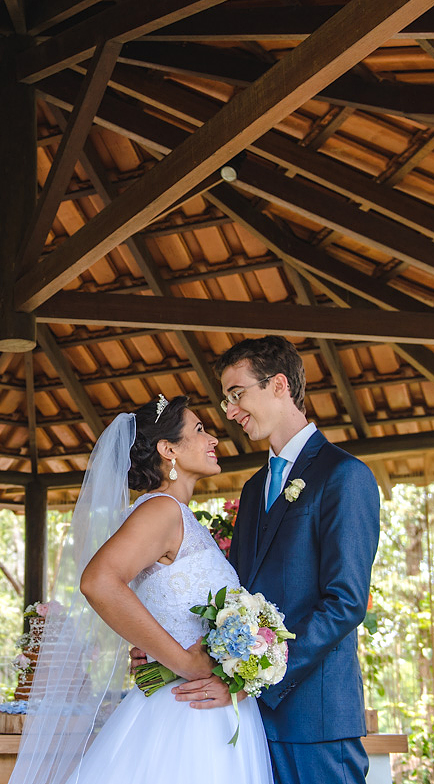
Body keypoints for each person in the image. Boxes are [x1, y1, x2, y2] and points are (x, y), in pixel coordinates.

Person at [7, 395, 273, 784]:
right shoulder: (160, 511)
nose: (213, 439)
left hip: (210, 712)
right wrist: (184, 662)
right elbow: (98, 581)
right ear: (168, 450)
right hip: (185, 718)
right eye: (200, 430)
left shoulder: (180, 517)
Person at [170, 335, 380, 784]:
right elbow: (237, 594)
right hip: (247, 725)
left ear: (280, 385)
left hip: (315, 719)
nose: (229, 411)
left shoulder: (345, 475)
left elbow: (345, 602)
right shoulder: (252, 488)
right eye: (225, 400)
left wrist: (256, 678)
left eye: (236, 394)